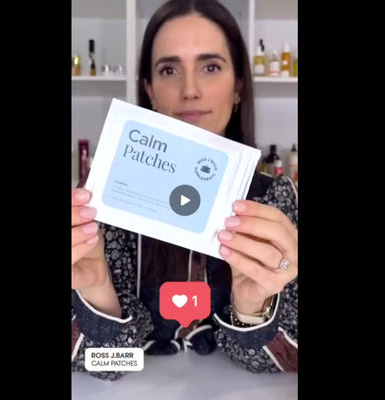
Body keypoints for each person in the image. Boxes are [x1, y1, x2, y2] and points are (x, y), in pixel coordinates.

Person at [72, 0, 298, 381]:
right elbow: (106, 364)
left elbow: (287, 362)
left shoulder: (273, 202)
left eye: (210, 67)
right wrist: (97, 291)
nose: (190, 90)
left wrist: (252, 308)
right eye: (169, 69)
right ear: (149, 90)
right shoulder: (103, 202)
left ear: (238, 87)